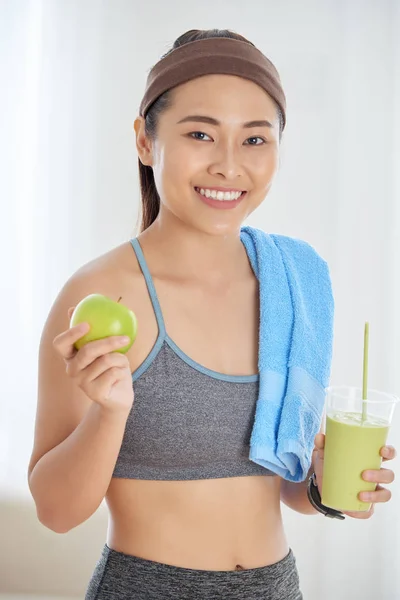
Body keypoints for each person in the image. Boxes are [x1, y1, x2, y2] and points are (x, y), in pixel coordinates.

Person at [27, 28, 397, 600]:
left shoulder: (291, 284)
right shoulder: (103, 293)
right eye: (201, 133)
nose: (229, 166)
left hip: (278, 586)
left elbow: (287, 486)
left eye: (255, 140)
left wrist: (327, 482)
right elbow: (55, 511)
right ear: (146, 142)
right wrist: (109, 412)